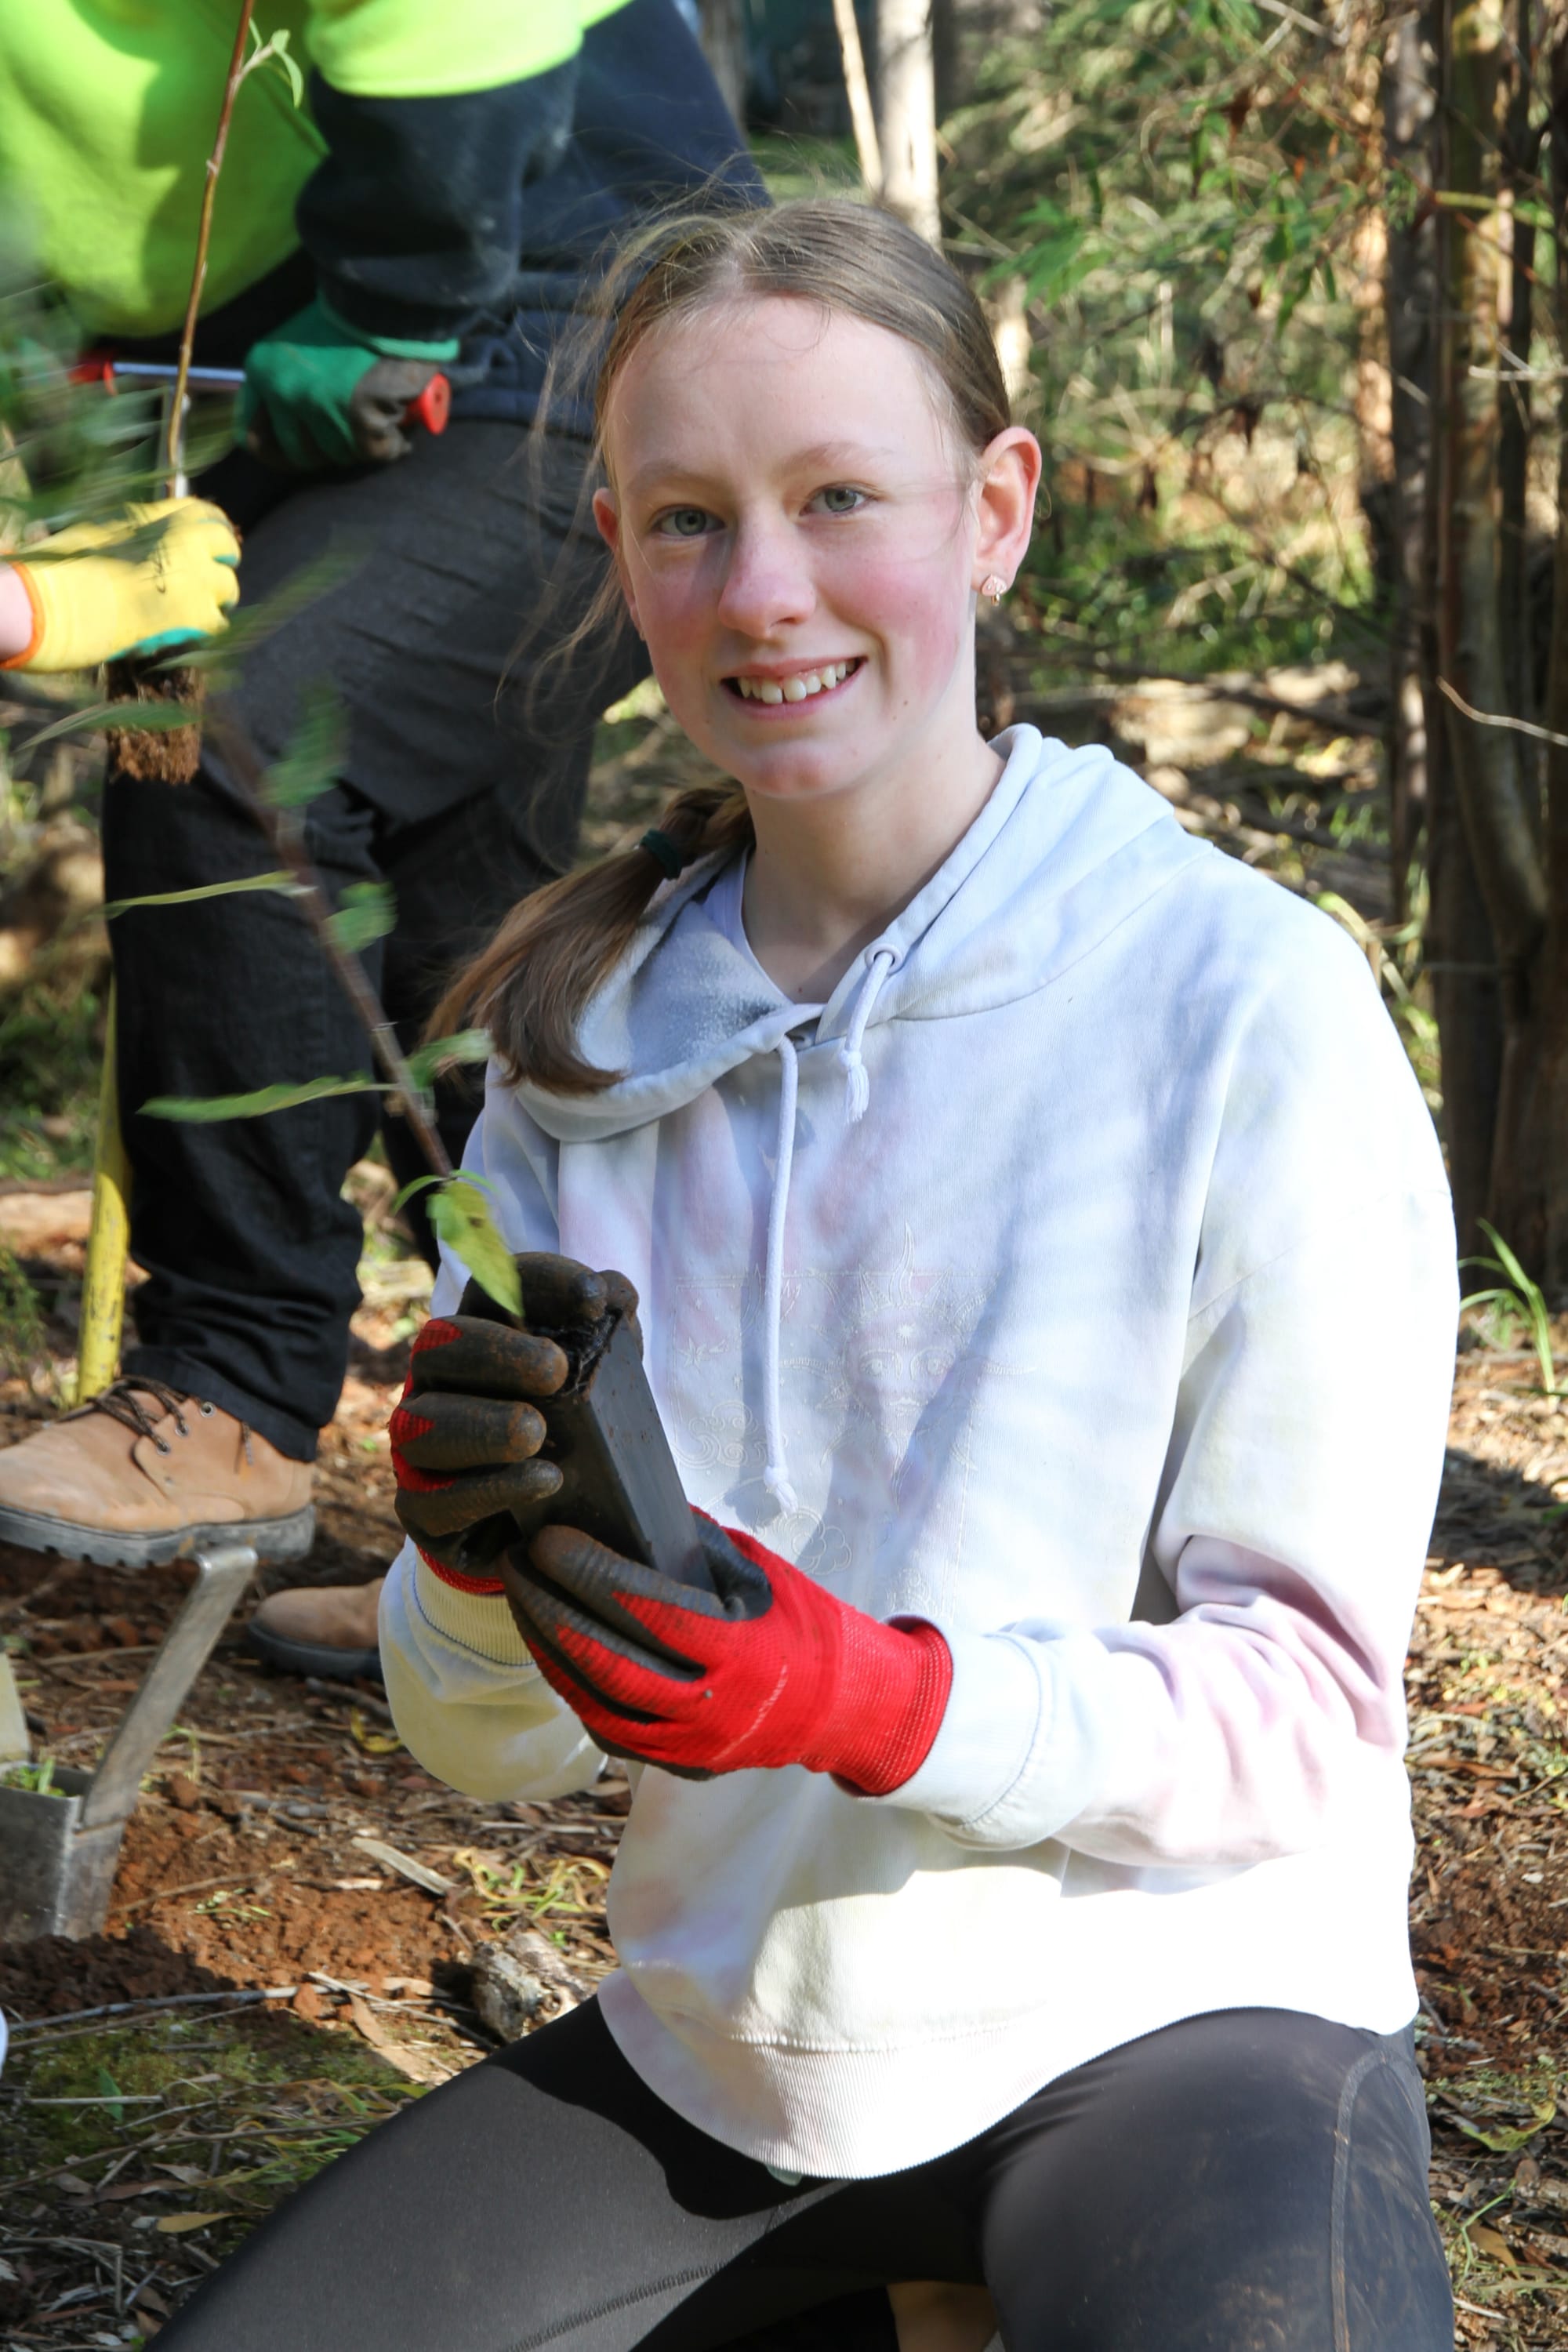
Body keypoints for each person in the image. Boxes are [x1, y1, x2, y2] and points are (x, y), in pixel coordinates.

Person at [152, 199, 1457, 2350]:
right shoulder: (579, 1060)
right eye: (690, 522)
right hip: (740, 2062)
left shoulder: (1240, 1001)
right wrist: (477, 1574)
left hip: (1184, 2027)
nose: (764, 594)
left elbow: (1305, 1715)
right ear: (616, 554)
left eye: (839, 498)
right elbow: (486, 1752)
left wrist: (875, 1697)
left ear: (997, 510)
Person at [0, 0, 760, 1660]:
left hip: (570, 282)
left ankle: (233, 1392)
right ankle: (569, 1536)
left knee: (219, 732)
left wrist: (390, 297)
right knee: (463, 934)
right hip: (302, 326)